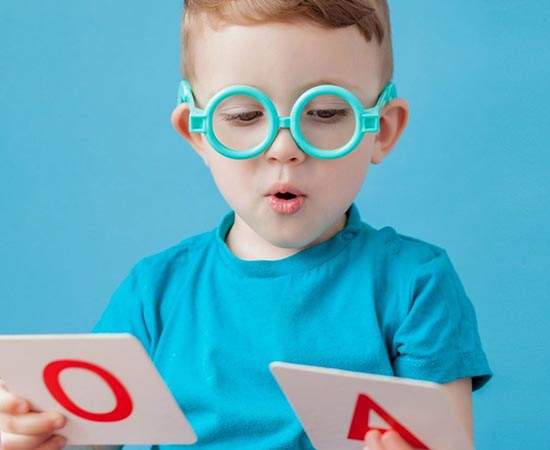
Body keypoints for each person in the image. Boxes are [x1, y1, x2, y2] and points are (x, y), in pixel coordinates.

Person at [0, 1, 491, 449]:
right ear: (198, 133)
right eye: (243, 115)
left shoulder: (415, 284)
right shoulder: (155, 291)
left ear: (379, 130)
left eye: (323, 112)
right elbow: (84, 439)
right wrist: (31, 435)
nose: (283, 147)